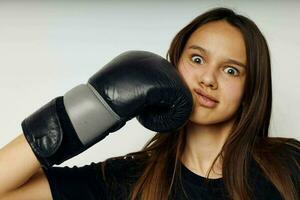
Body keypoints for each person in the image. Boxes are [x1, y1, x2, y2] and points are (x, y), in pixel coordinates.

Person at [0, 7, 299, 200]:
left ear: (252, 87)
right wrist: (92, 108)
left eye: (231, 70)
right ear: (173, 66)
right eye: (197, 59)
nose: (208, 78)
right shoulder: (127, 179)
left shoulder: (289, 164)